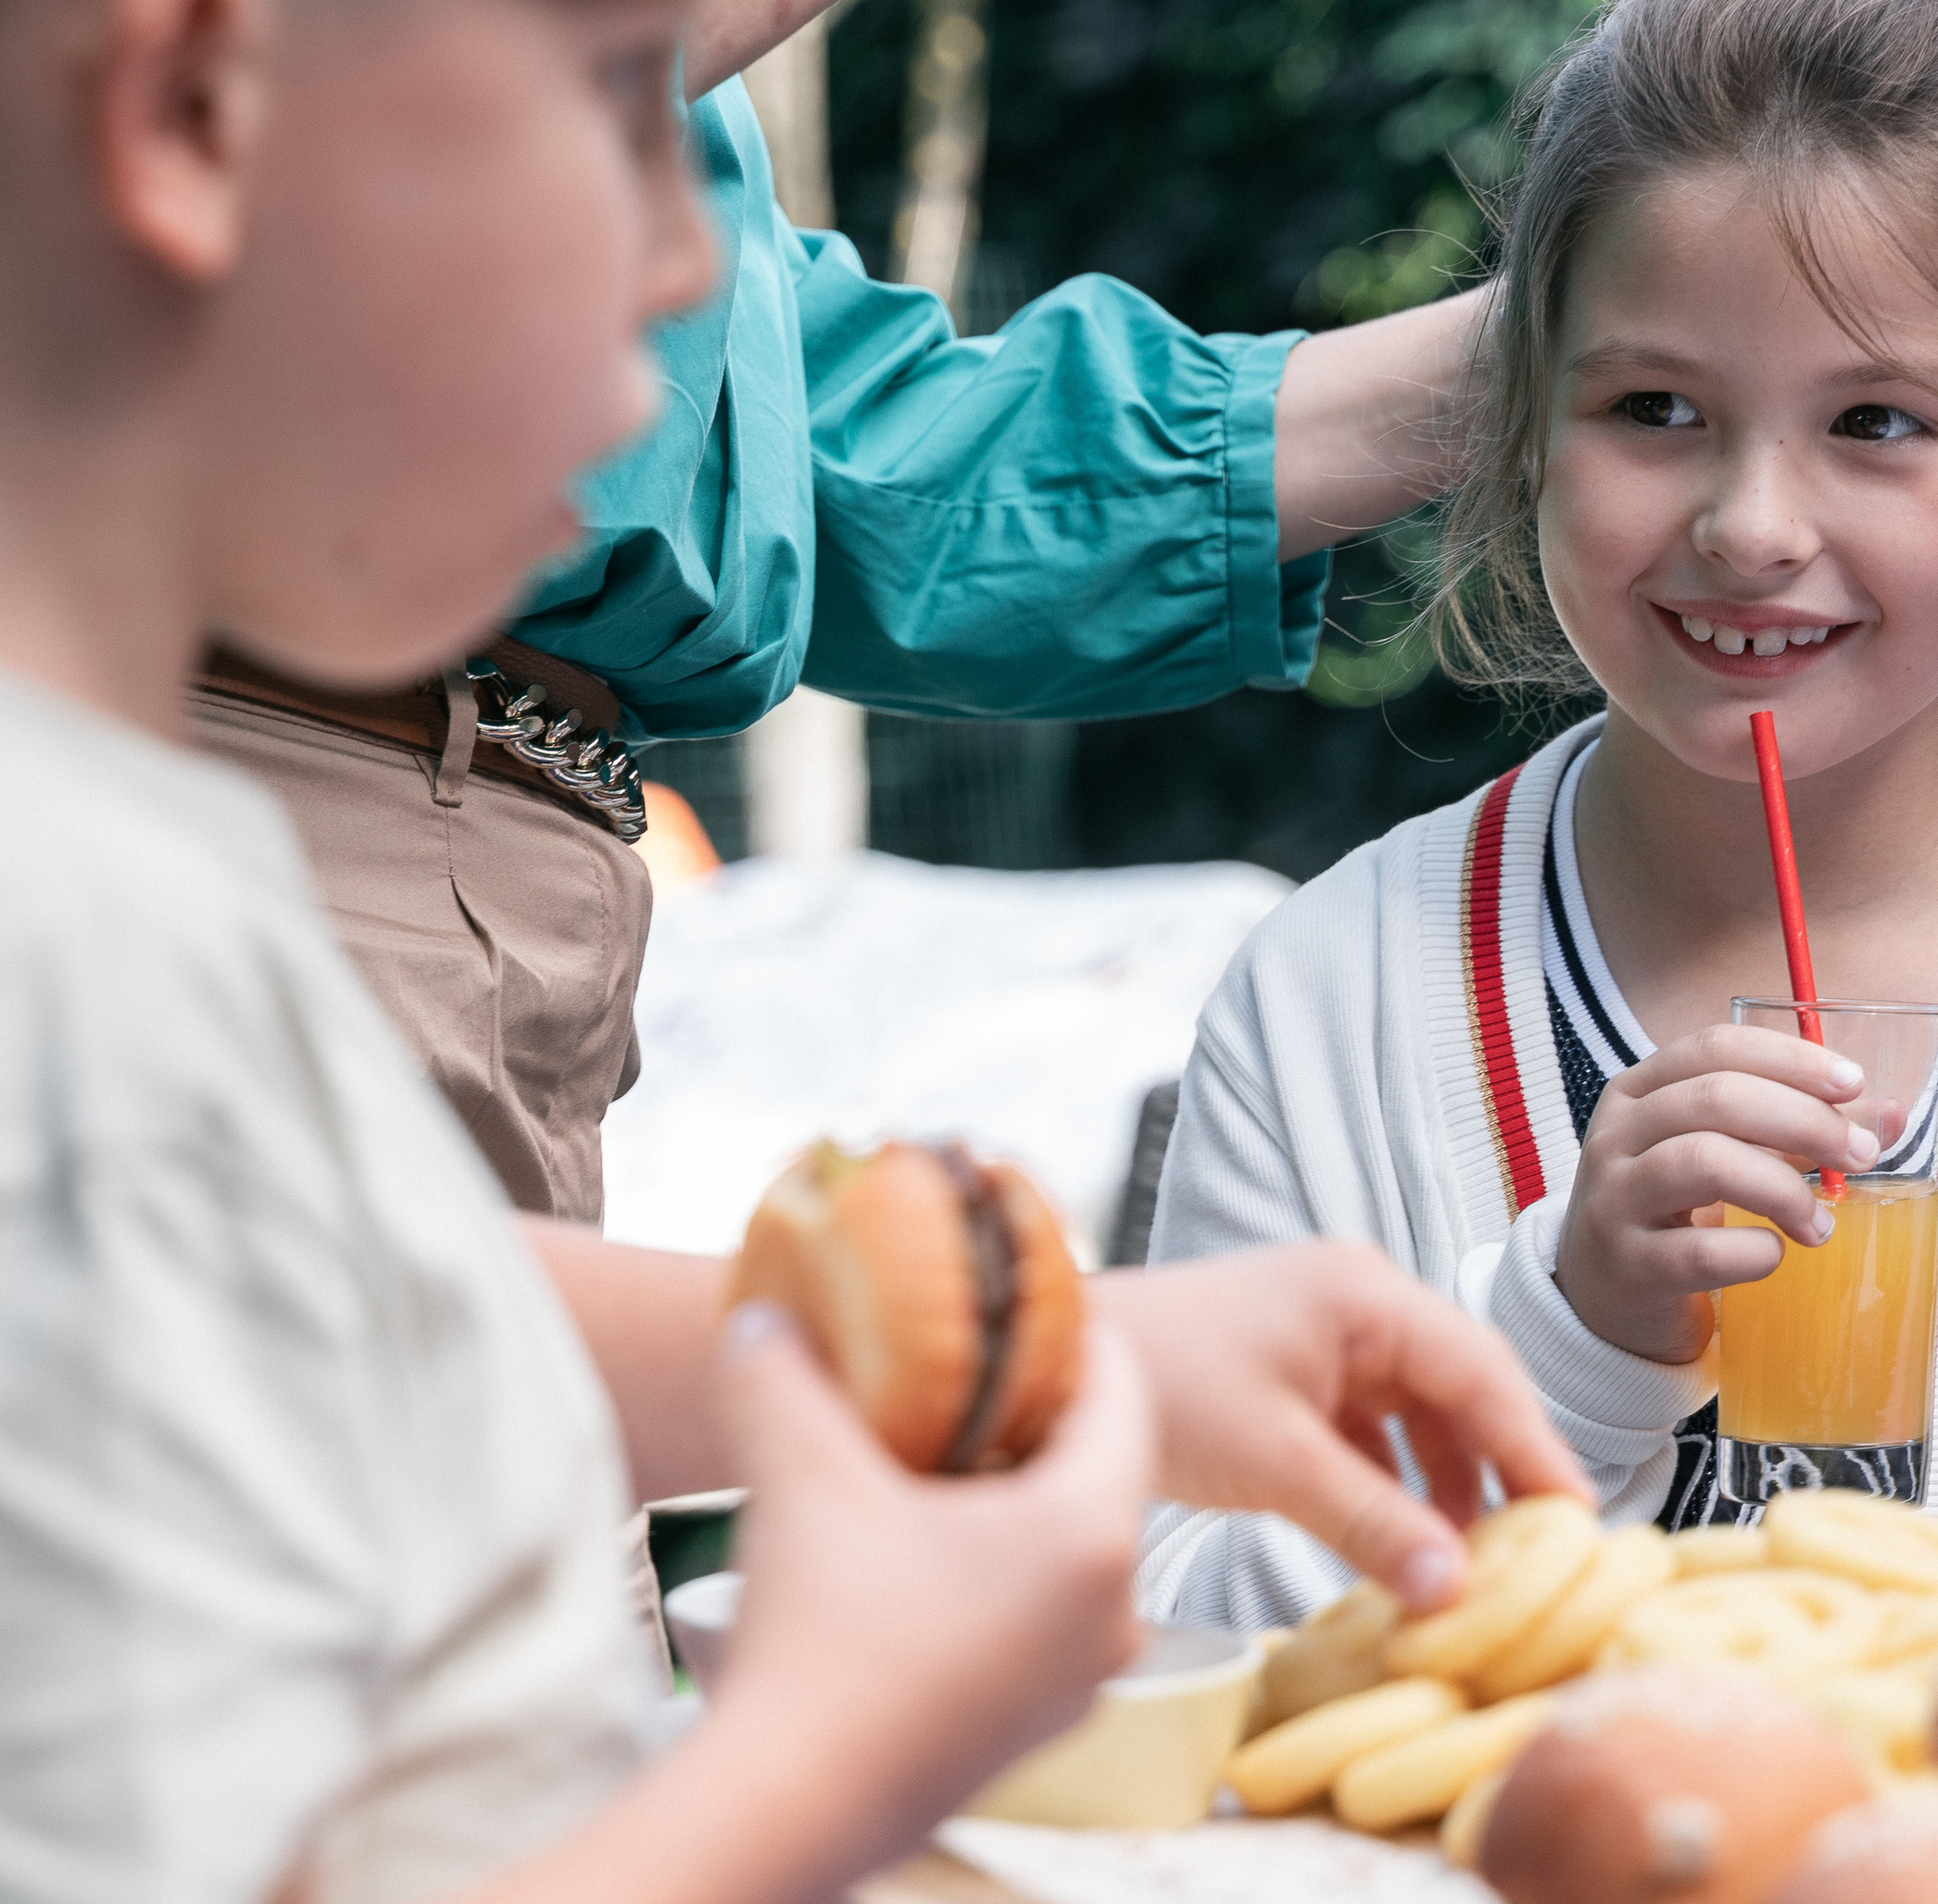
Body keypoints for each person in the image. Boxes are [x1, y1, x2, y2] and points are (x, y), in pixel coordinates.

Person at [0, 4, 1586, 1904]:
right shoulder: (17, 972)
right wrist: (821, 1755)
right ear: (196, 108)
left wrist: (1013, 1356)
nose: (695, 270)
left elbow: (312, 1312)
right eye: (620, 104)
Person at [1136, 0, 1938, 1632]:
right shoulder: (1337, 1004)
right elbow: (1161, 1644)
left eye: (1878, 423)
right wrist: (1563, 1342)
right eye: (1653, 410)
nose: (1751, 528)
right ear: (1524, 410)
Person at [191, 7, 1494, 1221]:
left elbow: (861, 471)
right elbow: (310, 101)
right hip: (297, 847)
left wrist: (1547, 342)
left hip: (495, 943)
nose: (674, 266)